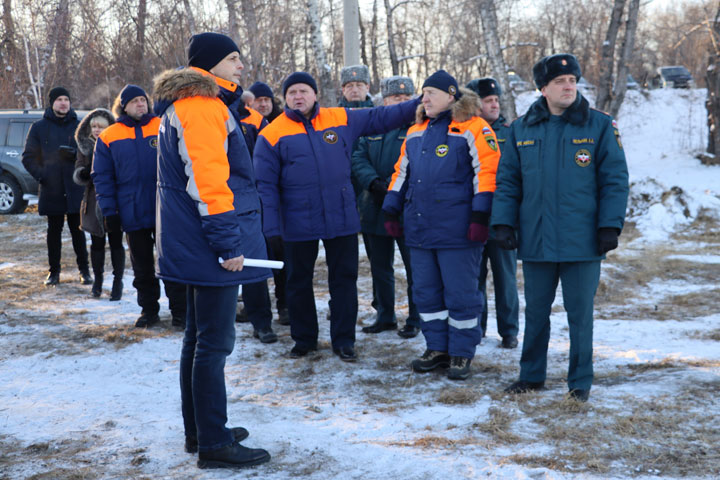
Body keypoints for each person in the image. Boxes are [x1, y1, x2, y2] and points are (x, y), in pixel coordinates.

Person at [153, 31, 272, 469]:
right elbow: (209, 182)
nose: (241, 65)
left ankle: (200, 429)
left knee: (198, 339)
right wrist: (228, 243)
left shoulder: (188, 104)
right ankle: (214, 443)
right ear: (210, 63)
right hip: (209, 242)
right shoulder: (203, 107)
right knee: (214, 343)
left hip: (191, 240)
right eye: (233, 58)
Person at [253, 71, 420, 362]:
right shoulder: (271, 133)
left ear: (315, 94)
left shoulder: (339, 118)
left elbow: (381, 117)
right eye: (292, 93)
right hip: (296, 220)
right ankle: (304, 340)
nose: (298, 97)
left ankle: (344, 341)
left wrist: (421, 101)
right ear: (286, 98)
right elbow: (264, 185)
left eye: (304, 91)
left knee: (344, 280)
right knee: (298, 281)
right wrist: (271, 228)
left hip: (340, 215)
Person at [492, 54, 629, 402]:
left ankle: (580, 381)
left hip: (582, 239)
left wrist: (609, 226)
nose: (569, 86)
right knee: (536, 311)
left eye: (573, 80)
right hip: (536, 237)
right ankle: (531, 375)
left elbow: (614, 180)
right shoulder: (522, 129)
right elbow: (508, 182)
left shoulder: (599, 125)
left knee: (579, 314)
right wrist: (504, 221)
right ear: (544, 88)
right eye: (560, 82)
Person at [382, 70, 500, 381]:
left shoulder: (474, 128)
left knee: (460, 294)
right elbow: (400, 173)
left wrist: (480, 217)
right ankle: (437, 347)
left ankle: (461, 352)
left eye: (431, 93)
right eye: (423, 94)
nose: (425, 99)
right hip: (420, 230)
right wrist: (391, 209)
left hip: (459, 231)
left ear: (451, 96)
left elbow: (487, 174)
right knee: (426, 293)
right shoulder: (416, 132)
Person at [92, 84, 186, 328]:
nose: (140, 105)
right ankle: (149, 310)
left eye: (143, 100)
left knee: (172, 262)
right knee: (142, 265)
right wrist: (109, 211)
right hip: (132, 210)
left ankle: (180, 311)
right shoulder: (109, 135)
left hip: (165, 209)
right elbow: (102, 177)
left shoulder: (163, 126)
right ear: (124, 106)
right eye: (134, 101)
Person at [351, 76, 421, 338]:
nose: (401, 102)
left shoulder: (420, 126)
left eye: (406, 98)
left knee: (416, 267)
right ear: (385, 100)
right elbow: (357, 156)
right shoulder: (373, 124)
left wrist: (397, 188)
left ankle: (416, 317)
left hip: (408, 207)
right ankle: (385, 315)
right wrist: (372, 182)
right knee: (380, 266)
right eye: (395, 98)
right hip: (373, 204)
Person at [465, 77, 520, 349]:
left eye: (496, 100)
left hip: (503, 218)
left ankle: (509, 331)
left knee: (506, 278)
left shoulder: (511, 133)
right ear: (476, 104)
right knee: (474, 278)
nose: (494, 104)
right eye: (488, 101)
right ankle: (478, 327)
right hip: (473, 217)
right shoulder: (464, 131)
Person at [22, 86, 91, 286]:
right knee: (54, 233)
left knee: (78, 232)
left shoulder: (80, 126)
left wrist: (75, 156)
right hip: (51, 188)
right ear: (52, 103)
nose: (63, 103)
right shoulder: (39, 127)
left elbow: (89, 153)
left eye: (66, 99)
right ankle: (54, 273)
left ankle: (84, 272)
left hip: (74, 187)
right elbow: (28, 158)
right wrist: (42, 175)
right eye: (59, 99)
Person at [72, 108, 125, 300]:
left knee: (116, 242)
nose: (96, 130)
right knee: (96, 243)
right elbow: (77, 171)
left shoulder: (117, 143)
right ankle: (98, 282)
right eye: (93, 126)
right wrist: (84, 172)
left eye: (101, 126)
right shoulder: (84, 146)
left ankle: (118, 282)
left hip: (115, 199)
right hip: (93, 199)